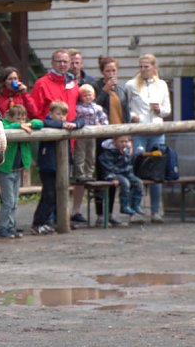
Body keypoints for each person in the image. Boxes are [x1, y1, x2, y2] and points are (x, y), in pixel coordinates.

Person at [125, 54, 171, 223]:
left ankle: (155, 211)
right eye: (141, 66)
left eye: (146, 66)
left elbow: (167, 110)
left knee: (156, 172)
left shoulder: (162, 85)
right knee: (137, 171)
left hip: (157, 132)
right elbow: (126, 107)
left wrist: (159, 110)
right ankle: (134, 211)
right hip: (139, 132)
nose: (143, 69)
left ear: (154, 67)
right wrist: (132, 116)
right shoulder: (131, 85)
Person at [91, 56, 131, 224]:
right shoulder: (96, 86)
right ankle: (100, 214)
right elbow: (93, 108)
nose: (111, 73)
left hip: (118, 137)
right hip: (102, 138)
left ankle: (110, 213)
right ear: (102, 71)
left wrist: (128, 137)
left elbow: (126, 114)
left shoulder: (121, 90)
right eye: (108, 71)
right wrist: (104, 91)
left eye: (113, 70)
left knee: (116, 174)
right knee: (102, 175)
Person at [30, 101, 80, 235]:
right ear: (51, 113)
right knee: (49, 195)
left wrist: (74, 124)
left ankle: (57, 221)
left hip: (62, 166)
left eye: (64, 114)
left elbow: (81, 122)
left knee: (60, 193)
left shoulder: (67, 124)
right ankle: (38, 223)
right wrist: (64, 125)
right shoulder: (46, 123)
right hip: (47, 166)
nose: (62, 117)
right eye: (58, 114)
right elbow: (46, 123)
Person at [0, 104, 42, 239]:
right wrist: (19, 126)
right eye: (18, 118)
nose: (21, 121)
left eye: (23, 118)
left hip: (17, 169)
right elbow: (5, 128)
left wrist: (28, 124)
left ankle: (11, 225)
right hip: (6, 169)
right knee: (8, 201)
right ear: (10, 117)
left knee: (14, 200)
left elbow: (39, 123)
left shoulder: (26, 124)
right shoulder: (4, 124)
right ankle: (2, 227)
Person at [70, 84, 108, 225]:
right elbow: (74, 118)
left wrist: (102, 126)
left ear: (94, 96)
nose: (88, 97)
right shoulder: (78, 108)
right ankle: (80, 174)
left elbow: (104, 119)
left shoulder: (97, 108)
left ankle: (89, 173)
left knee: (90, 156)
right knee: (80, 155)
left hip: (92, 135)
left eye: (90, 95)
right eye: (85, 95)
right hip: (81, 135)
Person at [98, 135, 144, 221]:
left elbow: (128, 164)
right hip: (114, 173)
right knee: (125, 183)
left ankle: (136, 205)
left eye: (126, 142)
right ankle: (124, 206)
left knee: (139, 182)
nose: (124, 144)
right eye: (121, 141)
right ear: (115, 142)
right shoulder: (108, 152)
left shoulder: (125, 151)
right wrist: (112, 177)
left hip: (125, 172)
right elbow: (107, 166)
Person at [28, 49, 80, 121]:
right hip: (49, 130)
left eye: (65, 61)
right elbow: (34, 112)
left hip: (71, 129)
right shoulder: (41, 84)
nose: (62, 64)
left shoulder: (74, 84)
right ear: (52, 63)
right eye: (59, 61)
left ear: (69, 63)